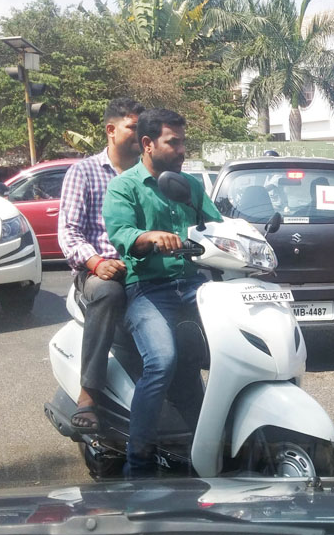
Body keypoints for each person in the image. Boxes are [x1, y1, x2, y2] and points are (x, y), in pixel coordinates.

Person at [102, 108, 223, 478]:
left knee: (241, 348)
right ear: (148, 144)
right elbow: (122, 234)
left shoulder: (190, 187)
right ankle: (137, 463)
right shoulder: (124, 187)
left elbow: (217, 226)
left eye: (184, 142)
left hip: (194, 287)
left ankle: (222, 444)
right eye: (174, 142)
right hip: (147, 289)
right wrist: (150, 237)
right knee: (163, 359)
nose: (183, 150)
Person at [57, 98, 145, 432]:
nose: (141, 135)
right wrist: (95, 262)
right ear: (111, 130)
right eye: (133, 127)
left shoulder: (150, 174)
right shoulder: (84, 172)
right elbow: (69, 232)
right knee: (108, 294)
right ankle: (88, 394)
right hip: (96, 270)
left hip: (142, 269)